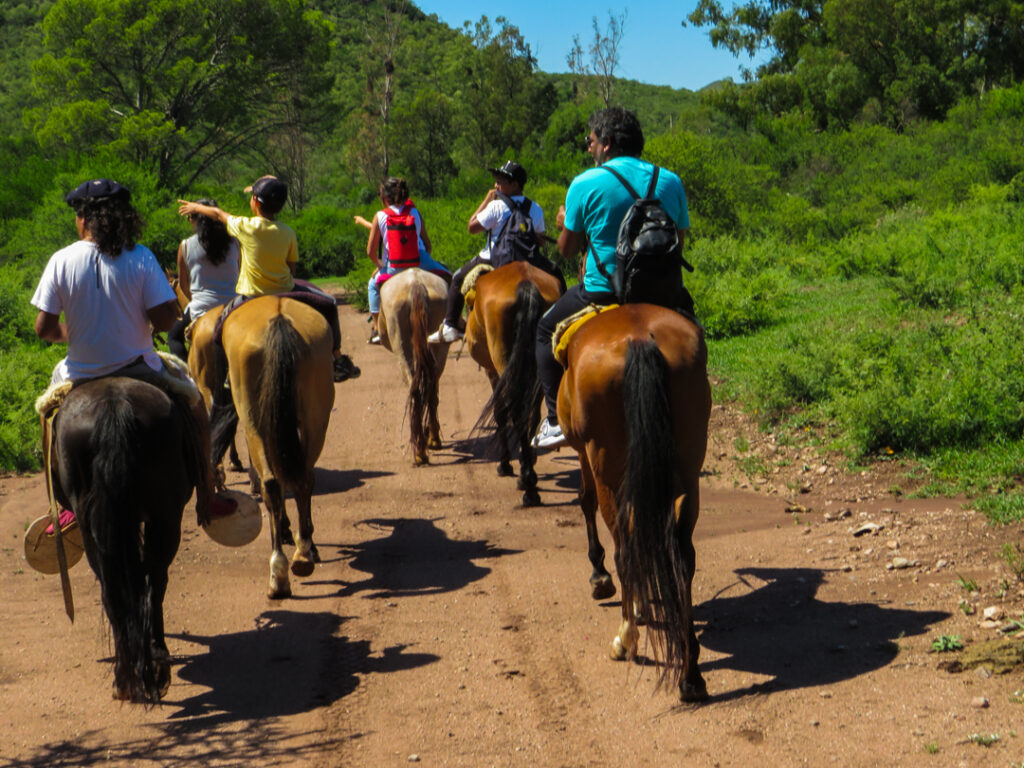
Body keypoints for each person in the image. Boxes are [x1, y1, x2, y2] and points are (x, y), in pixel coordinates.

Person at [32, 178, 234, 524]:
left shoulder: (61, 259)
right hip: (139, 368)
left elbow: (44, 328)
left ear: (83, 217)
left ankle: (61, 507)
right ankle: (207, 490)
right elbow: (164, 317)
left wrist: (75, 332)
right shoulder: (140, 256)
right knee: (196, 404)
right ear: (123, 217)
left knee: (48, 418)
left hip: (79, 373)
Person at [532, 107, 693, 450]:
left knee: (544, 330)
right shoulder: (670, 180)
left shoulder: (585, 182)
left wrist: (563, 223)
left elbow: (568, 251)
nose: (589, 148)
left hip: (603, 293)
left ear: (606, 143)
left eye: (590, 141)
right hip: (663, 295)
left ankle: (552, 421)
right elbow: (679, 241)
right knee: (694, 334)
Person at [177, 175, 357, 382]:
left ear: (255, 202)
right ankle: (337, 359)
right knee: (330, 304)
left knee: (220, 327)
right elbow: (291, 268)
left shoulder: (245, 226)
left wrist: (195, 208)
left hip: (250, 295)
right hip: (286, 289)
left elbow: (218, 213)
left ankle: (228, 369)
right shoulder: (288, 232)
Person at [428, 161, 563, 344]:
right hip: (529, 260)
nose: (496, 186)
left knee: (458, 277)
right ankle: (563, 318)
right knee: (557, 276)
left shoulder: (495, 206)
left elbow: (472, 227)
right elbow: (540, 240)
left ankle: (451, 324)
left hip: (493, 259)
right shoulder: (535, 208)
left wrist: (487, 200)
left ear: (514, 185)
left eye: (500, 182)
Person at [363, 177, 450, 344]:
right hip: (420, 259)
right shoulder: (415, 212)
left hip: (394, 265)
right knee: (450, 276)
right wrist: (424, 260)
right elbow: (427, 244)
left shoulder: (380, 216)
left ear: (385, 198)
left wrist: (380, 265)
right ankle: (453, 321)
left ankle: (375, 328)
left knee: (372, 285)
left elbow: (370, 252)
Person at [167, 199, 240, 361]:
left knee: (173, 337)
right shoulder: (235, 242)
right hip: (234, 305)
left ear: (195, 220)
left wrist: (198, 298)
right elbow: (241, 274)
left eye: (189, 218)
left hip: (202, 307)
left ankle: (187, 376)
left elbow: (184, 285)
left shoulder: (186, 246)